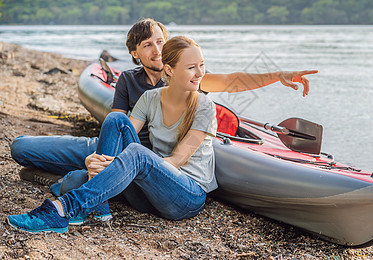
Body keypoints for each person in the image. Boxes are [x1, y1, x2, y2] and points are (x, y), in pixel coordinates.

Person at [9, 18, 317, 219]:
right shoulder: (130, 82)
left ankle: (68, 188)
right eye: (148, 45)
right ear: (135, 54)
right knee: (22, 148)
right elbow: (118, 124)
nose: (156, 49)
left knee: (76, 181)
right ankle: (83, 183)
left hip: (151, 164)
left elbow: (233, 80)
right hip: (116, 149)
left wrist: (278, 75)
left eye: (160, 42)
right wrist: (100, 159)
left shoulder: (188, 81)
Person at [7, 36, 218, 233]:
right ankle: (100, 209)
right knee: (116, 120)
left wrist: (120, 164)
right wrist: (97, 160)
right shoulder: (150, 98)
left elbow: (176, 160)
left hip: (185, 196)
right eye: (192, 67)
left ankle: (62, 209)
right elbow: (121, 135)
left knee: (130, 156)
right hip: (148, 193)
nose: (200, 73)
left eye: (202, 65)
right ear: (170, 70)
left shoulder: (205, 107)